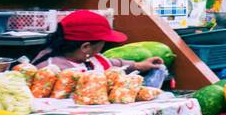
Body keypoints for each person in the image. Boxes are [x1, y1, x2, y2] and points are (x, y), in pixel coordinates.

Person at [32, 10, 165, 73]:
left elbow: (112, 63)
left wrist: (139, 65)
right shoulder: (52, 69)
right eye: (103, 43)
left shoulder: (86, 58)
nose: (104, 46)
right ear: (85, 47)